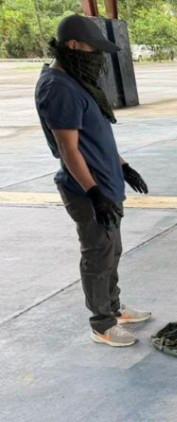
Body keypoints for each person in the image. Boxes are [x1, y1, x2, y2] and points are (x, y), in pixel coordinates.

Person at [35, 14, 151, 347]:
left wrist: (124, 166)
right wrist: (94, 192)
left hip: (106, 181)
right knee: (98, 255)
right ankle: (102, 324)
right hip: (88, 190)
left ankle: (113, 308)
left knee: (111, 249)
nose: (97, 56)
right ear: (73, 46)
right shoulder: (58, 88)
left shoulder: (77, 80)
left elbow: (96, 138)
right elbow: (68, 150)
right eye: (92, 48)